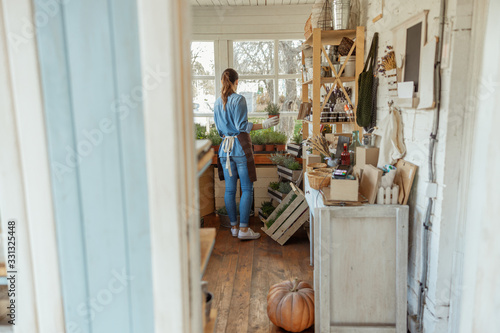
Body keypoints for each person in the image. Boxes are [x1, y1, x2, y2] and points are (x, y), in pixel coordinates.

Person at [213, 68, 279, 240]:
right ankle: (244, 230)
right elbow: (242, 126)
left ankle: (234, 228)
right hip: (240, 148)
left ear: (222, 82)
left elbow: (220, 130)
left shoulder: (216, 103)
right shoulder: (239, 99)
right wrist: (264, 125)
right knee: (247, 188)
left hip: (224, 150)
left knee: (229, 190)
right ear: (237, 81)